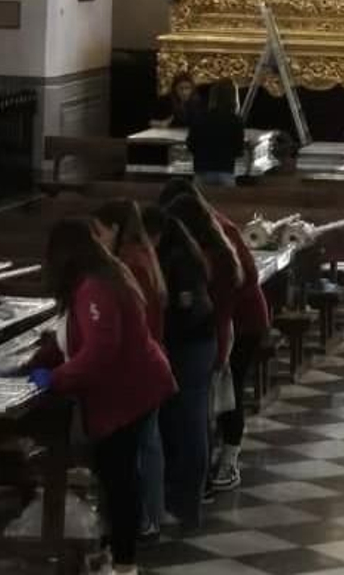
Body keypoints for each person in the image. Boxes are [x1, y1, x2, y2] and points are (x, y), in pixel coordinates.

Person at [26, 219, 175, 575]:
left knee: (119, 478)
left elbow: (100, 350)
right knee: (115, 474)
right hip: (128, 388)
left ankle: (124, 563)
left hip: (129, 392)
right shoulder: (101, 276)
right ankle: (113, 552)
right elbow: (72, 335)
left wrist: (56, 378)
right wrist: (37, 362)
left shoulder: (95, 287)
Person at [163, 181, 269, 494]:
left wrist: (220, 351)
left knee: (228, 390)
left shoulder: (220, 235)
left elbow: (240, 285)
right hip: (221, 324)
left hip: (243, 322)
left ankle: (228, 461)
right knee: (212, 398)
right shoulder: (195, 235)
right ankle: (208, 464)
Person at [94, 201, 169, 541]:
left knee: (139, 449)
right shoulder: (142, 255)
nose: (97, 239)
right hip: (149, 361)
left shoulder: (129, 263)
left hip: (139, 366)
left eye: (99, 231)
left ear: (114, 229)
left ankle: (144, 519)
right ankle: (149, 516)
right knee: (147, 444)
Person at [140, 206, 216, 529]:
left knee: (190, 424)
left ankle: (187, 505)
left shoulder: (179, 260)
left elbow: (186, 312)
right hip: (192, 345)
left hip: (191, 348)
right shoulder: (181, 252)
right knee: (183, 423)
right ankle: (182, 500)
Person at [185, 79, 245, 188]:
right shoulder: (236, 121)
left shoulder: (200, 117)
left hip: (202, 170)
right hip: (225, 170)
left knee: (200, 198)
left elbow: (190, 144)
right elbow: (239, 149)